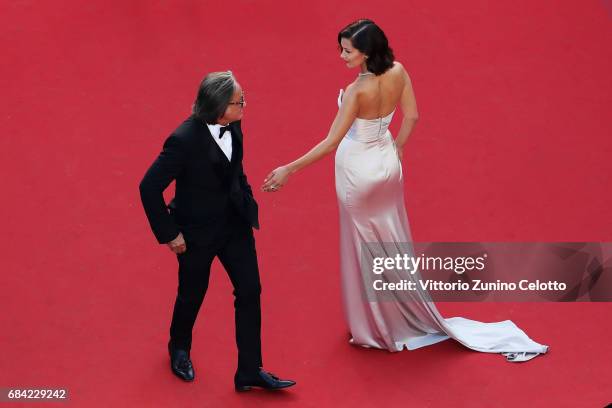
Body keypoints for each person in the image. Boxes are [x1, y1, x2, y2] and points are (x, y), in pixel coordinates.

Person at [262, 20, 549, 362]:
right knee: (391, 240)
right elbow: (411, 117)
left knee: (365, 248)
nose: (341, 56)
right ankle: (397, 313)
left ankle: (377, 326)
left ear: (366, 52)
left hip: (358, 174)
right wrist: (396, 147)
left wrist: (288, 169)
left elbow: (330, 142)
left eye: (347, 50)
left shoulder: (358, 91)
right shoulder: (399, 71)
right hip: (387, 166)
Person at [139, 71, 295, 390]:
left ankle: (250, 370)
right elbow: (148, 186)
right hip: (195, 234)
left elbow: (235, 169)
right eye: (240, 101)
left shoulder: (234, 123)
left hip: (234, 226)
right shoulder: (183, 140)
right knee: (192, 294)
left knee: (250, 290)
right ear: (220, 107)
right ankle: (179, 348)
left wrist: (246, 196)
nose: (245, 105)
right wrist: (170, 234)